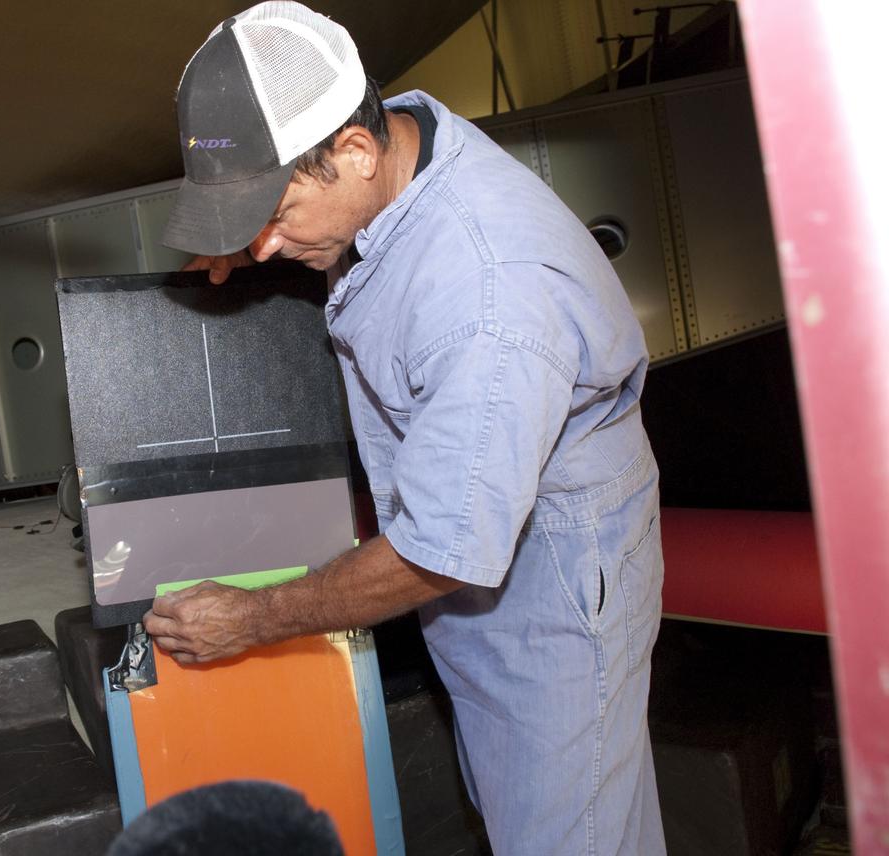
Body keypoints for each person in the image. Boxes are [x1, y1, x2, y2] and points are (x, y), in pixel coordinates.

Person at [143, 3, 666, 853]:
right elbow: (353, 223)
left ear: (354, 152)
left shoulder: (489, 303)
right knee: (556, 811)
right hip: (492, 540)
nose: (265, 247)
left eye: (272, 213)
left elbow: (436, 553)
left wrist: (253, 619)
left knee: (566, 833)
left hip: (552, 573)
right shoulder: (399, 151)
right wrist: (250, 232)